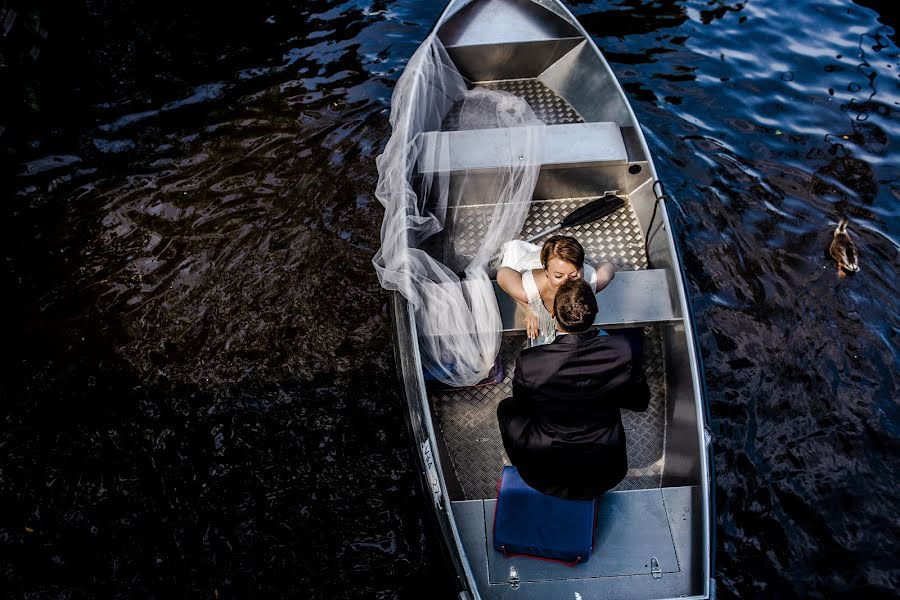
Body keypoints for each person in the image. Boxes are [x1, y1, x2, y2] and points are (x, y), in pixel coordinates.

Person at [496, 278, 650, 500]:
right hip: (607, 472)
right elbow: (639, 402)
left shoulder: (530, 361)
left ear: (553, 314)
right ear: (595, 313)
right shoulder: (622, 350)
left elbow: (522, 405)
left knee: (506, 408)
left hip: (542, 475)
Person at [496, 236, 615, 346]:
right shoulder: (530, 289)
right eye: (559, 276)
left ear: (582, 269)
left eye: (574, 275)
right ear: (546, 272)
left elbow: (608, 267)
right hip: (531, 265)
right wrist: (528, 309)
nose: (567, 282)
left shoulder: (590, 281)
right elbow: (502, 275)